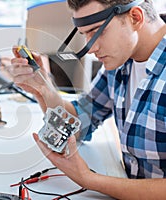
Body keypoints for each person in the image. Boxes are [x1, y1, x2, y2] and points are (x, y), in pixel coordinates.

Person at [10, 0, 166, 199]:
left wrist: (89, 179)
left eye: (96, 32)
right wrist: (43, 89)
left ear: (135, 17)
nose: (90, 48)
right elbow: (81, 122)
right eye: (84, 34)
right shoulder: (121, 61)